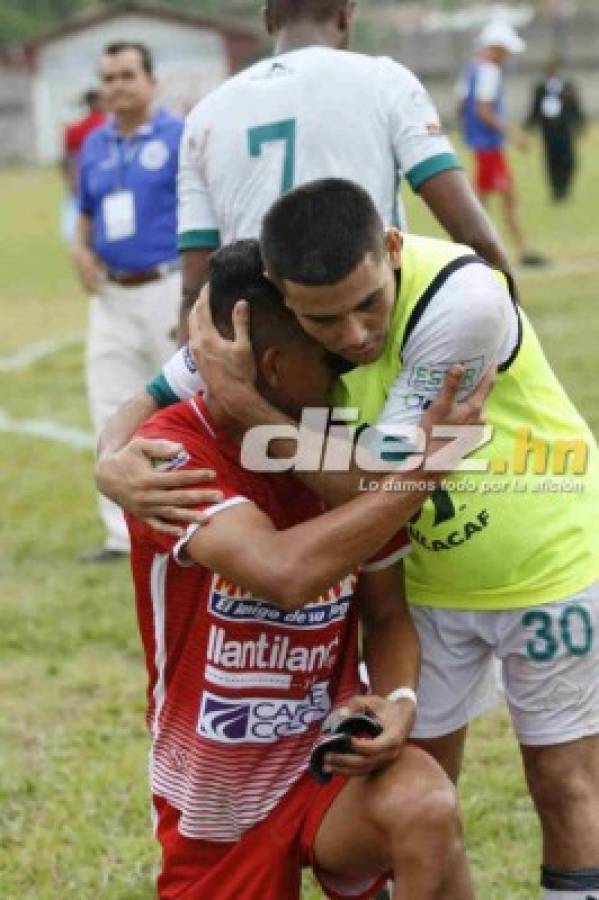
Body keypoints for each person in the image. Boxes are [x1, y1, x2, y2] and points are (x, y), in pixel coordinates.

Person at [107, 178, 599, 899]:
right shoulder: (247, 343)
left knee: (547, 784)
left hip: (540, 562)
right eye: (325, 332)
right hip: (412, 588)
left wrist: (395, 692)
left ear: (390, 252)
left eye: (368, 307)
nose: (355, 341)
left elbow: (373, 505)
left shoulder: (459, 304)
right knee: (421, 779)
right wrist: (109, 462)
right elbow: (150, 411)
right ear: (279, 315)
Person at [126, 240, 486, 900]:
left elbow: (386, 614)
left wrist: (399, 704)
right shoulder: (170, 453)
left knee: (426, 806)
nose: (345, 370)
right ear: (272, 362)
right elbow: (282, 573)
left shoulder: (341, 452)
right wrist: (423, 472)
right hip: (215, 801)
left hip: (325, 770)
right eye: (325, 356)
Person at [176, 0, 511, 334]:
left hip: (267, 343)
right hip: (365, 323)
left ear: (268, 20)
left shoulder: (205, 115)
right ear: (346, 14)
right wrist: (513, 336)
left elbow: (194, 286)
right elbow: (473, 233)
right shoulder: (383, 80)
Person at [72, 42, 184, 562]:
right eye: (108, 77)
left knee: (180, 405)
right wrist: (80, 249)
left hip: (166, 288)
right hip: (110, 295)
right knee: (110, 406)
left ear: (151, 81)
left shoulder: (179, 137)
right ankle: (121, 534)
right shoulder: (94, 144)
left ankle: (187, 520)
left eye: (126, 76)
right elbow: (87, 210)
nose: (116, 86)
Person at [458, 20, 547, 267]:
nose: (508, 56)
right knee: (503, 198)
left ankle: (476, 250)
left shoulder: (472, 68)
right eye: (506, 50)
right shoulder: (489, 70)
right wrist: (513, 134)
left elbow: (461, 105)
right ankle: (520, 251)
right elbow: (483, 110)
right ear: (496, 47)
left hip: (479, 144)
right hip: (489, 146)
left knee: (481, 201)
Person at [524, 55, 586, 202]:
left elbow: (575, 107)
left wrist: (580, 123)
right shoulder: (540, 87)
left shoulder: (568, 86)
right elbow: (534, 109)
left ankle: (565, 187)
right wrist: (528, 127)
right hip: (549, 129)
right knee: (552, 159)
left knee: (568, 159)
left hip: (564, 128)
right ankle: (556, 190)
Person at [60, 89, 106, 244]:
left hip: (80, 186)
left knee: (77, 232)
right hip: (105, 186)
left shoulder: (74, 129)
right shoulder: (108, 125)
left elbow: (67, 160)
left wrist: (71, 183)